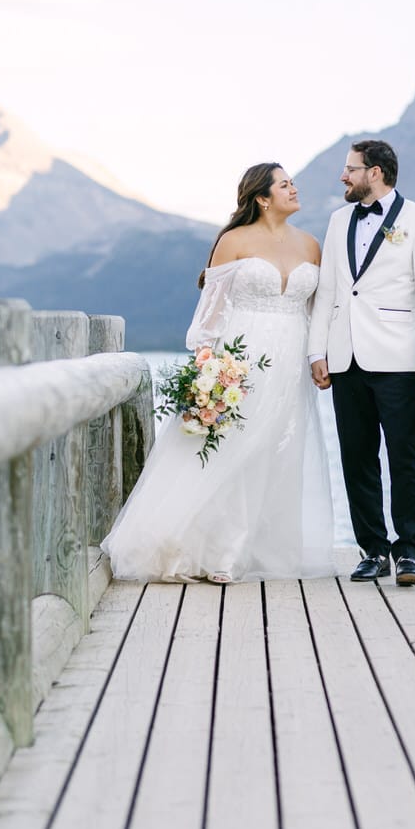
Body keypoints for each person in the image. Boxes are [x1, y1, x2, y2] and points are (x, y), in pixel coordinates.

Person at [101, 163, 335, 584]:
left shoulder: (311, 246)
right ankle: (217, 551)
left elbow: (317, 312)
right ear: (262, 198)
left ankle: (257, 550)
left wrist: (321, 356)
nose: (294, 189)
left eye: (292, 183)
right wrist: (207, 370)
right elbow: (209, 313)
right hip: (240, 359)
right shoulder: (234, 241)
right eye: (285, 185)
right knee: (230, 449)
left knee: (276, 450)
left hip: (290, 365)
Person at [309, 139, 415, 586]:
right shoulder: (337, 220)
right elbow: (328, 290)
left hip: (398, 357)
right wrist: (317, 351)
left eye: (351, 169)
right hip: (345, 356)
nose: (343, 176)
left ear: (376, 172)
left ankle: (408, 552)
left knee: (403, 455)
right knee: (356, 456)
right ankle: (372, 549)